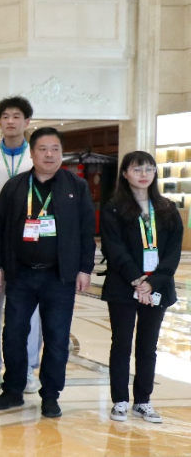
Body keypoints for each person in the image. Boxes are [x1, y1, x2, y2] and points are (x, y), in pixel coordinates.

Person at [0, 127, 95, 419]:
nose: (49, 155)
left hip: (59, 277)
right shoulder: (15, 187)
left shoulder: (76, 187)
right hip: (20, 275)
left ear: (61, 153)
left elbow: (87, 231)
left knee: (57, 338)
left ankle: (50, 395)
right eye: (43, 149)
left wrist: (84, 268)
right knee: (13, 334)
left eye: (55, 149)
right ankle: (13, 390)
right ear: (32, 153)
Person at [101, 152, 183, 423]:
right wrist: (138, 280)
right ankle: (120, 400)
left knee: (148, 346)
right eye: (137, 169)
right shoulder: (114, 208)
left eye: (149, 169)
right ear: (125, 174)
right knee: (121, 343)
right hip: (124, 286)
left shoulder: (167, 208)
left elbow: (173, 251)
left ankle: (143, 401)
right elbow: (113, 247)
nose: (144, 174)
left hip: (157, 287)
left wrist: (153, 282)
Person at [0, 97, 42, 394]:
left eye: (17, 116)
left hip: (31, 245)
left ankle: (27, 368)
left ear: (27, 121)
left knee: (32, 310)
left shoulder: (36, 155)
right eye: (5, 116)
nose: (11, 121)